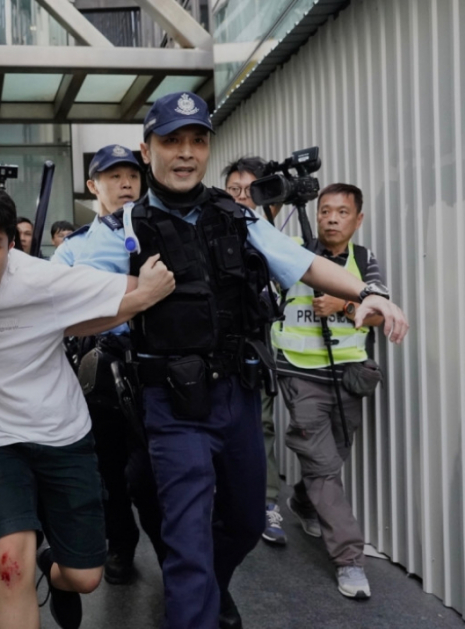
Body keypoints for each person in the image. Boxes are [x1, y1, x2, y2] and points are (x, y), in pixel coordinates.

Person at [72, 91, 408, 629]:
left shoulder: (238, 218)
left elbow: (303, 263)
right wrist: (139, 296)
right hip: (172, 404)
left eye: (197, 140)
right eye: (172, 141)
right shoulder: (121, 230)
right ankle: (196, 605)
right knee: (186, 541)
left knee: (247, 523)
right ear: (147, 150)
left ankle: (205, 590)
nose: (186, 152)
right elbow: (72, 310)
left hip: (238, 396)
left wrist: (368, 292)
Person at [0, 178, 175, 629]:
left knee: (85, 577)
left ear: (11, 247)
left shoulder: (40, 278)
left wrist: (146, 294)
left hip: (65, 436)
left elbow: (117, 292)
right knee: (8, 566)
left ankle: (55, 572)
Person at [52, 144, 167, 584]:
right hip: (99, 368)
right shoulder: (75, 246)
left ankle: (171, 557)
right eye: (113, 176)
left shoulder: (160, 229)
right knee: (107, 470)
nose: (126, 184)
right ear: (92, 185)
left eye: (132, 176)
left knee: (150, 474)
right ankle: (120, 543)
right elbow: (54, 298)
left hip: (154, 365)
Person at [272, 183, 386, 599]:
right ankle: (349, 560)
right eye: (325, 211)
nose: (332, 218)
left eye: (342, 212)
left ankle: (303, 501)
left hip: (347, 377)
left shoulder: (364, 260)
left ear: (358, 219)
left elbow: (378, 313)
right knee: (323, 466)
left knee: (333, 456)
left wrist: (346, 305)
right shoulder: (293, 253)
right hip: (300, 375)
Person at [222, 156, 287, 547]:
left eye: (250, 190)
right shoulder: (207, 231)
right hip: (215, 352)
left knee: (261, 426)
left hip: (257, 349)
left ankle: (267, 502)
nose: (241, 197)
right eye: (234, 189)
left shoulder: (276, 240)